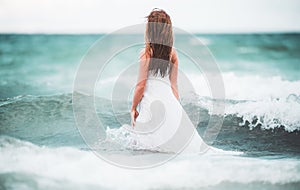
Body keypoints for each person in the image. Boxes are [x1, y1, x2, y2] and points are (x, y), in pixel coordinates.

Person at [129, 8, 209, 154]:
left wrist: (133, 107)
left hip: (150, 104)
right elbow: (174, 85)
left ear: (150, 30)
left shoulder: (146, 53)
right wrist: (176, 109)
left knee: (143, 147)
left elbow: (141, 85)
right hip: (168, 101)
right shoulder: (172, 53)